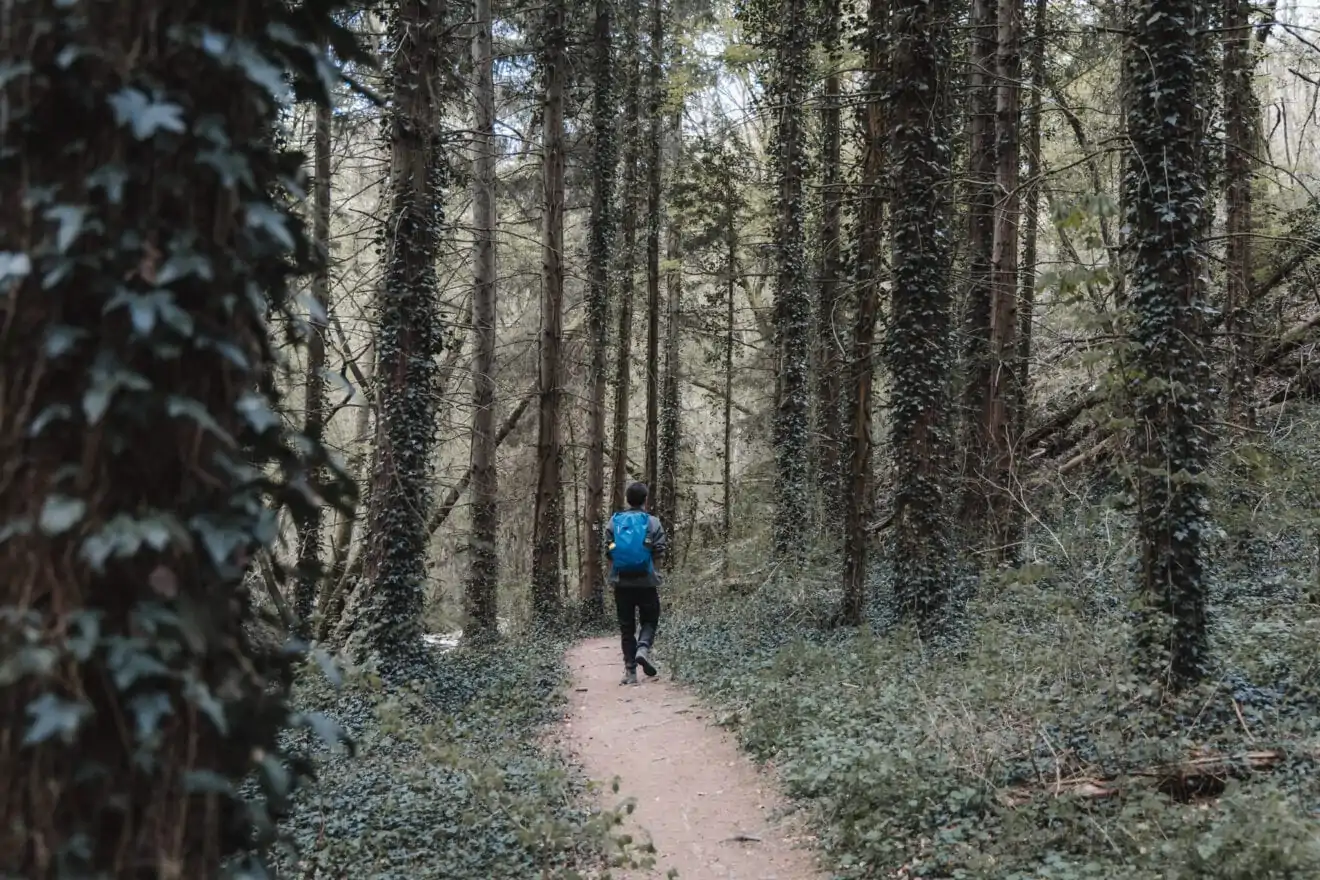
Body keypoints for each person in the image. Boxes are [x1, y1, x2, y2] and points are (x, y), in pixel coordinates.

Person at [605, 482, 667, 685]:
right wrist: (654, 570)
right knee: (650, 619)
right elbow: (659, 550)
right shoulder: (652, 522)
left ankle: (630, 673)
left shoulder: (614, 522)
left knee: (626, 627)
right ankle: (643, 648)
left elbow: (608, 550)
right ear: (645, 500)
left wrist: (617, 567)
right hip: (647, 582)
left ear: (627, 499)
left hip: (622, 582)